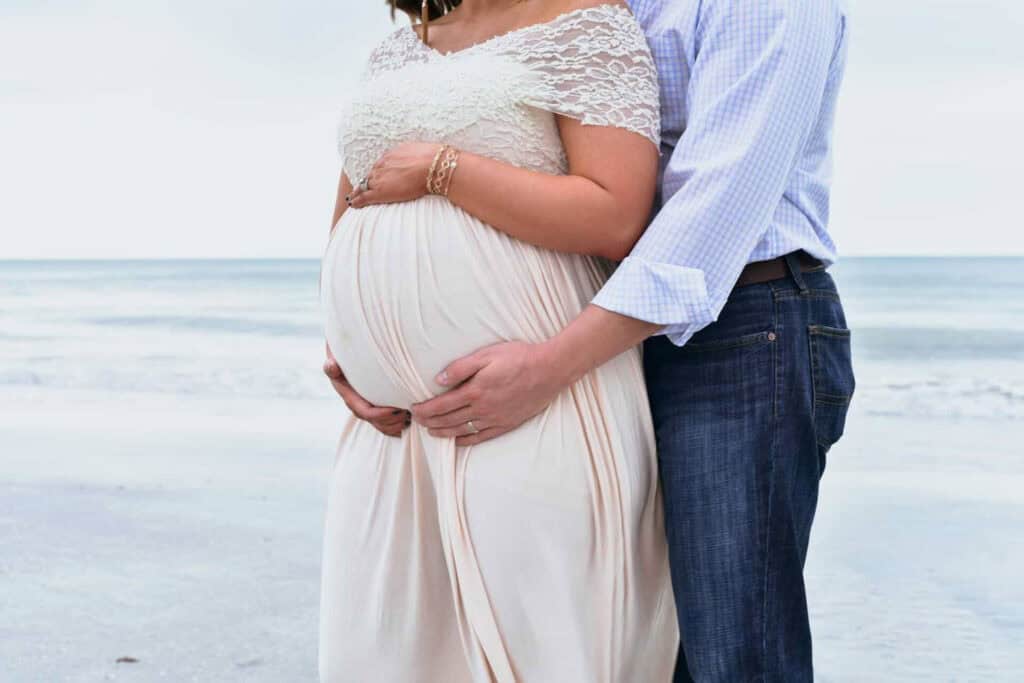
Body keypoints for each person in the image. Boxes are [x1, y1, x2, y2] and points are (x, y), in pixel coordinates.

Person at [408, 0, 856, 681]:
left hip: (744, 330)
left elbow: (716, 208)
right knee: (628, 644)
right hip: (613, 334)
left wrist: (548, 368)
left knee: (734, 652)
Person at [318, 0, 678, 680]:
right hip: (389, 432)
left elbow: (618, 214)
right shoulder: (398, 51)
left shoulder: (587, 25)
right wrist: (342, 340)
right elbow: (354, 207)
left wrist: (444, 170)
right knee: (381, 652)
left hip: (529, 401)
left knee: (535, 647)